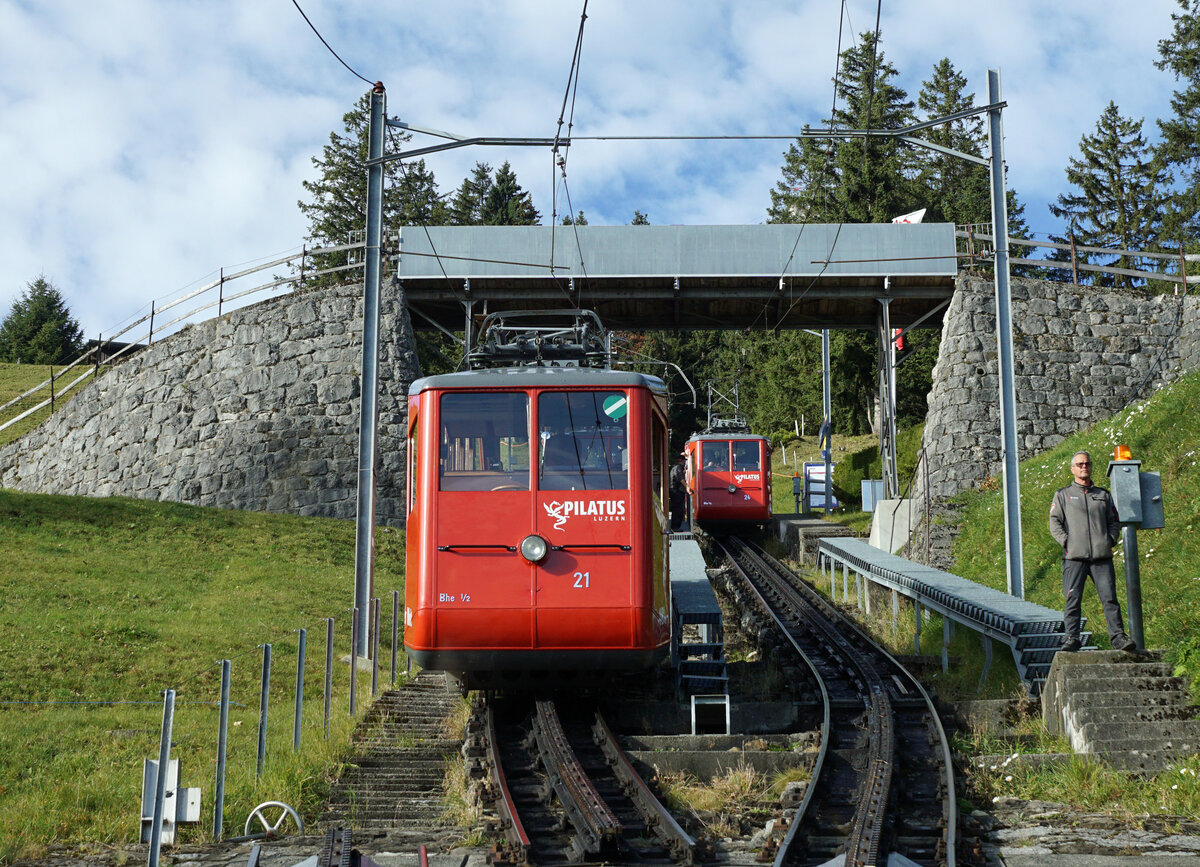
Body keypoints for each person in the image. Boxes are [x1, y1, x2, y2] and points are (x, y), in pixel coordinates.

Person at [1048, 451, 1135, 653]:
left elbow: (1114, 521)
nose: (1084, 467)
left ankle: (1118, 637)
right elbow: (1054, 522)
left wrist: (1110, 539)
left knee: (1110, 599)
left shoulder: (1103, 495)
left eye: (1087, 463)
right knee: (1072, 599)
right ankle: (1071, 638)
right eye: (1079, 464)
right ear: (1073, 469)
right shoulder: (1062, 495)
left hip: (1101, 558)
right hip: (1074, 558)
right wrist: (1066, 541)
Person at [669, 455, 687, 530]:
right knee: (678, 510)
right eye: (684, 461)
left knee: (676, 509)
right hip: (677, 492)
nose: (684, 462)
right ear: (680, 461)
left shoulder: (674, 467)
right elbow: (680, 478)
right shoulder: (678, 468)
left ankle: (675, 527)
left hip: (675, 491)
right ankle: (675, 527)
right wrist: (687, 487)